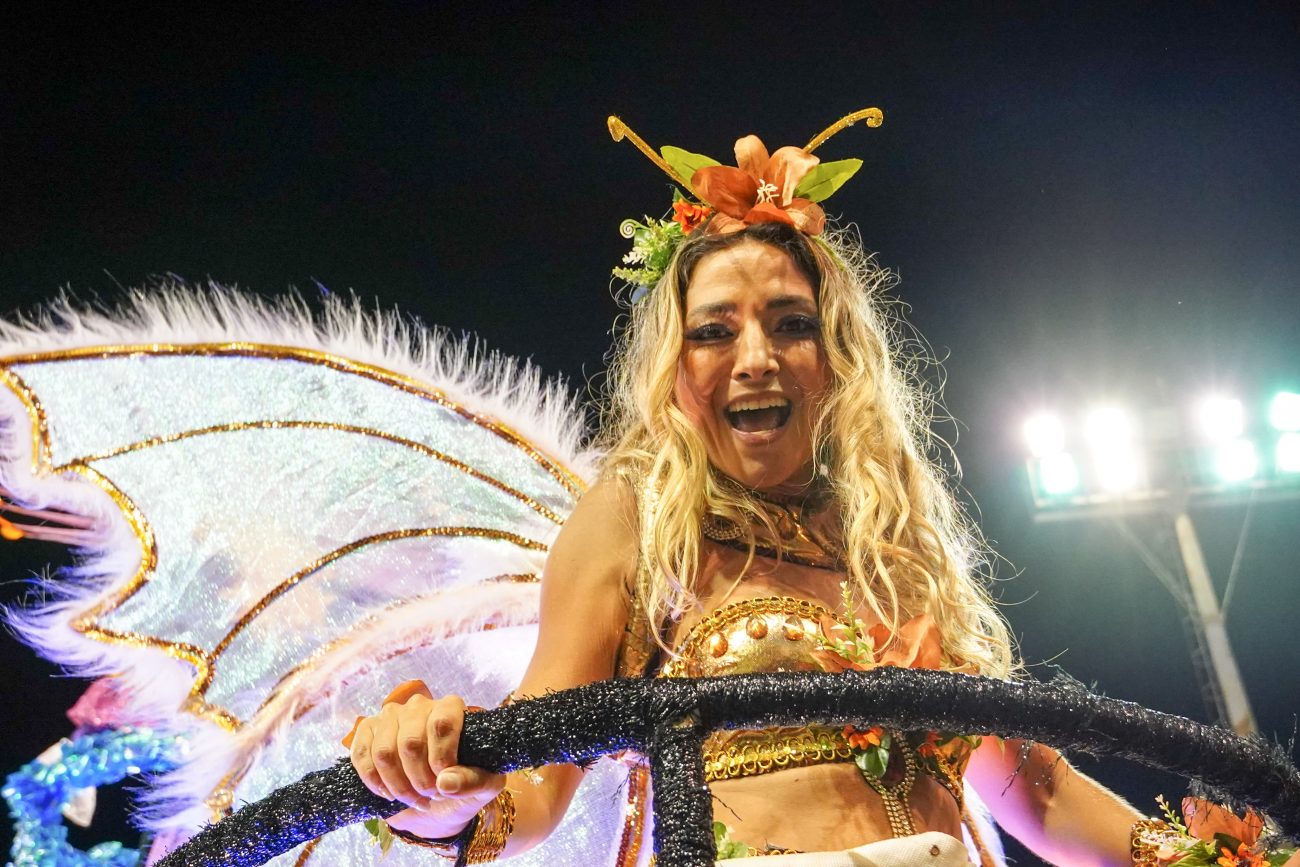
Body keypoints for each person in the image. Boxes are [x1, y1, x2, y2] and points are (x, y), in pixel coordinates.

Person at [345, 120, 1147, 866]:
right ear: (675, 370)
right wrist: (434, 787)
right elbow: (534, 783)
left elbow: (1037, 792)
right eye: (714, 330)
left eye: (791, 323)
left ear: (836, 357)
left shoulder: (891, 538)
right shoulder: (641, 517)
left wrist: (1218, 857)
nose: (757, 356)